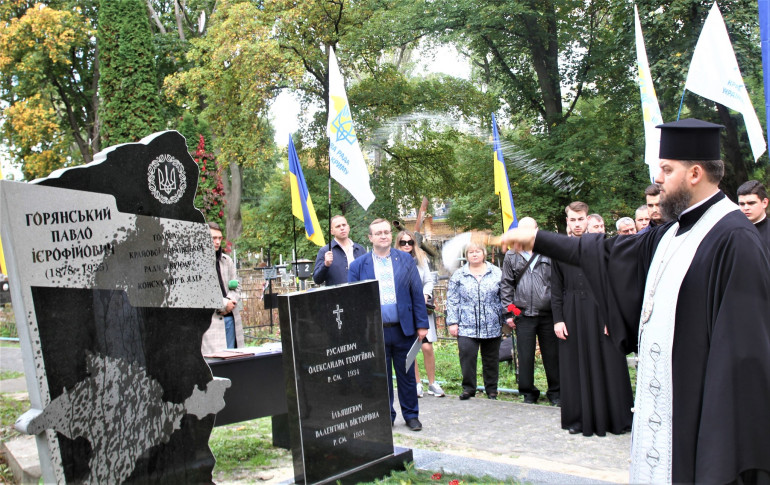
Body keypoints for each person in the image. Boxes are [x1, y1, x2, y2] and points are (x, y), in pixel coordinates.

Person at [501, 118, 770, 483]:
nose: (658, 178)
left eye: (666, 169)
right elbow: (602, 251)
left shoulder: (733, 238)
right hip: (664, 404)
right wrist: (537, 240)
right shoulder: (672, 232)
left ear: (694, 173)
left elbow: (743, 356)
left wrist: (721, 443)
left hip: (701, 416)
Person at [551, 202, 633, 436]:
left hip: (600, 310)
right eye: (573, 220)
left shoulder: (602, 246)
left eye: (581, 219)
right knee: (575, 365)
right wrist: (558, 319)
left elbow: (614, 285)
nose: (577, 223)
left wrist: (612, 317)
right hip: (571, 312)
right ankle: (579, 419)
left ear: (588, 220)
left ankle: (615, 419)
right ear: (567, 221)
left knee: (608, 362)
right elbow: (555, 287)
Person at [348, 219, 429, 431]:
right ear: (370, 238)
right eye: (378, 233)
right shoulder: (358, 266)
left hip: (404, 330)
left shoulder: (405, 260)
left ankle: (411, 415)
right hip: (375, 332)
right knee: (380, 377)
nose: (383, 236)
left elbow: (416, 294)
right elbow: (353, 301)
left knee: (407, 375)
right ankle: (386, 415)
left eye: (386, 232)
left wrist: (422, 325)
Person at [500, 217, 559, 406]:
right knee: (525, 356)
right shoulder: (511, 255)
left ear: (537, 230)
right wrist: (511, 312)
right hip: (523, 314)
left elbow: (558, 283)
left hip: (548, 313)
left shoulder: (550, 252)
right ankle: (528, 393)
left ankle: (556, 393)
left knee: (552, 355)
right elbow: (506, 286)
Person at [446, 242, 504, 400]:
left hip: (491, 324)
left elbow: (504, 296)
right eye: (471, 252)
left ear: (484, 253)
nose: (474, 254)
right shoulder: (459, 274)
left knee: (491, 359)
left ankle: (491, 389)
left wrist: (505, 319)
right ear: (467, 255)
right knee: (467, 357)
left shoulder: (496, 272)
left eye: (478, 251)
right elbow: (452, 300)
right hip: (466, 325)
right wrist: (453, 322)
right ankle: (468, 388)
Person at [395, 229, 446, 398]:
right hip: (405, 309)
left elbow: (429, 281)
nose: (407, 245)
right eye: (403, 242)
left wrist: (424, 295)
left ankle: (432, 382)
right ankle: (417, 383)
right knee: (412, 348)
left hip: (422, 307)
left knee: (427, 346)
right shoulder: (394, 261)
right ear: (398, 244)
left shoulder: (421, 260)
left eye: (410, 242)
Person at [201, 222, 245, 353]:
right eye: (213, 238)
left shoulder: (227, 261)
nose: (217, 242)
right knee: (215, 365)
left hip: (231, 319)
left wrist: (230, 302)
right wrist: (224, 304)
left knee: (233, 361)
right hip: (212, 323)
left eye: (219, 238)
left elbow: (236, 285)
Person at [313, 215, 365, 286]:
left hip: (359, 294)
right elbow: (317, 280)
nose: (342, 228)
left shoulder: (360, 249)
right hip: (336, 295)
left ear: (348, 227)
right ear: (332, 231)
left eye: (344, 225)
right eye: (338, 226)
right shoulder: (325, 251)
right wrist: (325, 265)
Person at [737, 179, 769, 248]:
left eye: (751, 203)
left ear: (764, 203)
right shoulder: (733, 231)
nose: (746, 208)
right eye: (742, 204)